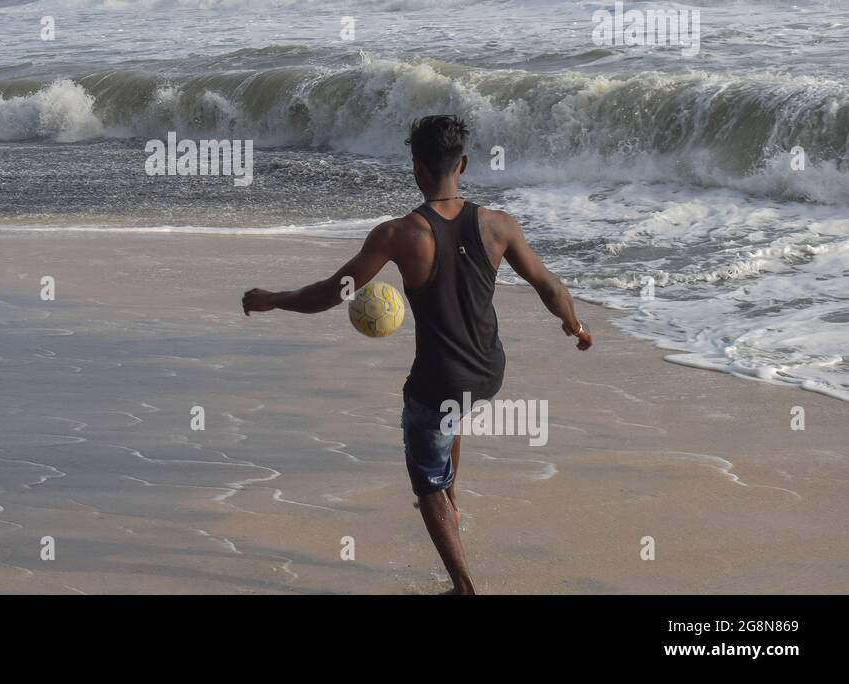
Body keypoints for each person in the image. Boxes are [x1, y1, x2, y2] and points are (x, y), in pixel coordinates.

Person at [242, 114, 593, 594]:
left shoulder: (399, 235)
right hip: (489, 370)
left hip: (438, 381)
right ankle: (455, 498)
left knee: (425, 479)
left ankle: (463, 584)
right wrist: (575, 326)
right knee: (453, 414)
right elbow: (548, 285)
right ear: (463, 164)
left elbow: (331, 292)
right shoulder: (498, 225)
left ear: (416, 168)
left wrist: (274, 298)